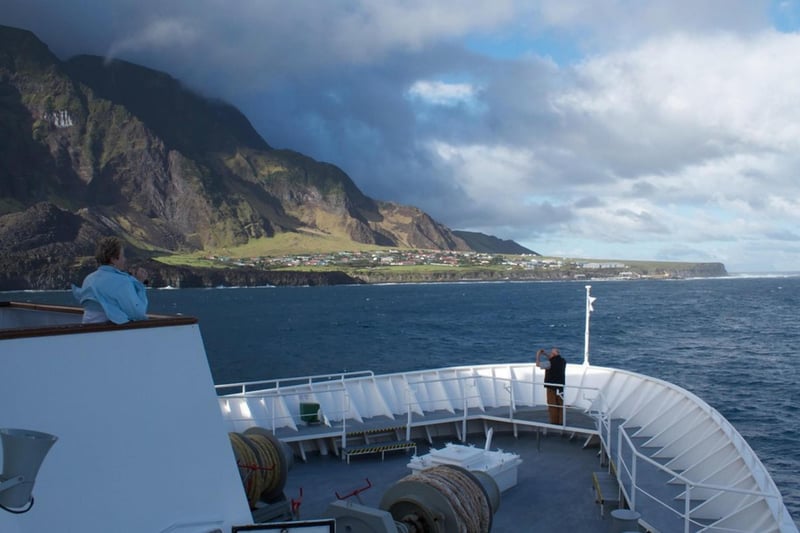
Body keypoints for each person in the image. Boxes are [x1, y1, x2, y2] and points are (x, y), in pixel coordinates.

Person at [72, 236, 149, 324]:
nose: (125, 259)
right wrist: (140, 285)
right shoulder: (122, 282)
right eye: (122, 256)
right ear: (113, 259)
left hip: (89, 332)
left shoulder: (89, 279)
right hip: (112, 333)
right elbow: (138, 313)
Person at [536, 347, 566, 425]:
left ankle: (554, 422)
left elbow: (537, 364)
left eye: (551, 353)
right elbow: (553, 358)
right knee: (560, 404)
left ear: (553, 354)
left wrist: (538, 355)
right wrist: (545, 354)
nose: (550, 354)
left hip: (551, 387)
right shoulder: (563, 361)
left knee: (552, 404)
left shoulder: (549, 363)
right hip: (560, 386)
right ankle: (561, 421)